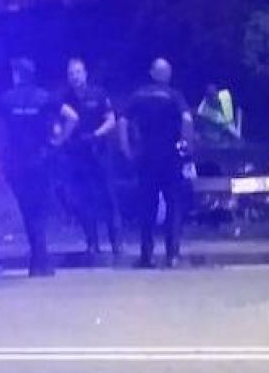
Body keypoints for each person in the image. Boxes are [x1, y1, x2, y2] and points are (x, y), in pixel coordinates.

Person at [119, 58, 194, 269]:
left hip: (146, 157)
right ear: (167, 75)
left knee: (147, 207)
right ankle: (173, 255)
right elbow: (187, 120)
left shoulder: (139, 95)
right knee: (173, 206)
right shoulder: (174, 96)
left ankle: (146, 255)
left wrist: (126, 148)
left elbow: (123, 121)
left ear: (152, 73)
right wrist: (187, 146)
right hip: (170, 157)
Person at [52, 57, 122, 260]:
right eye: (71, 73)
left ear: (85, 73)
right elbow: (57, 123)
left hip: (99, 151)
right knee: (84, 199)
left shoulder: (99, 94)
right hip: (76, 154)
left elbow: (111, 120)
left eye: (78, 72)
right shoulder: (64, 98)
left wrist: (96, 135)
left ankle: (116, 242)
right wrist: (60, 136)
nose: (75, 77)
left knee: (109, 197)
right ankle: (92, 242)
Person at [0, 57, 57, 277]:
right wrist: (56, 141)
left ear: (17, 75)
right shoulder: (44, 97)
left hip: (16, 162)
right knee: (39, 209)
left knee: (28, 209)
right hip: (40, 159)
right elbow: (71, 116)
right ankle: (41, 259)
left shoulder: (7, 99)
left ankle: (39, 258)